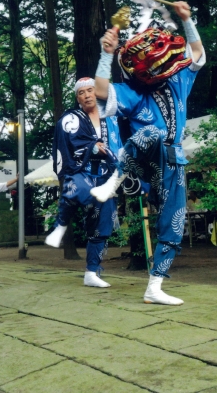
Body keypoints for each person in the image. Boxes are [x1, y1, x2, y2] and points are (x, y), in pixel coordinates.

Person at [92, 1, 205, 305]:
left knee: (176, 220)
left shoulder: (179, 80)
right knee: (152, 133)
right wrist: (106, 53)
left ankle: (154, 286)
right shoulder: (133, 93)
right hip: (141, 161)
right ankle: (113, 182)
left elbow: (197, 56)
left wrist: (186, 19)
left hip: (173, 161)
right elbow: (101, 90)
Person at [45, 77, 123, 288]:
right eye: (82, 92)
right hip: (82, 171)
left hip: (106, 177)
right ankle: (59, 226)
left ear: (97, 93)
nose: (87, 95)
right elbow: (67, 145)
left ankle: (91, 272)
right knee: (76, 189)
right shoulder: (71, 118)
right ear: (78, 98)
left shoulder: (111, 118)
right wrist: (91, 148)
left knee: (101, 224)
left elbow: (118, 146)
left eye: (90, 90)